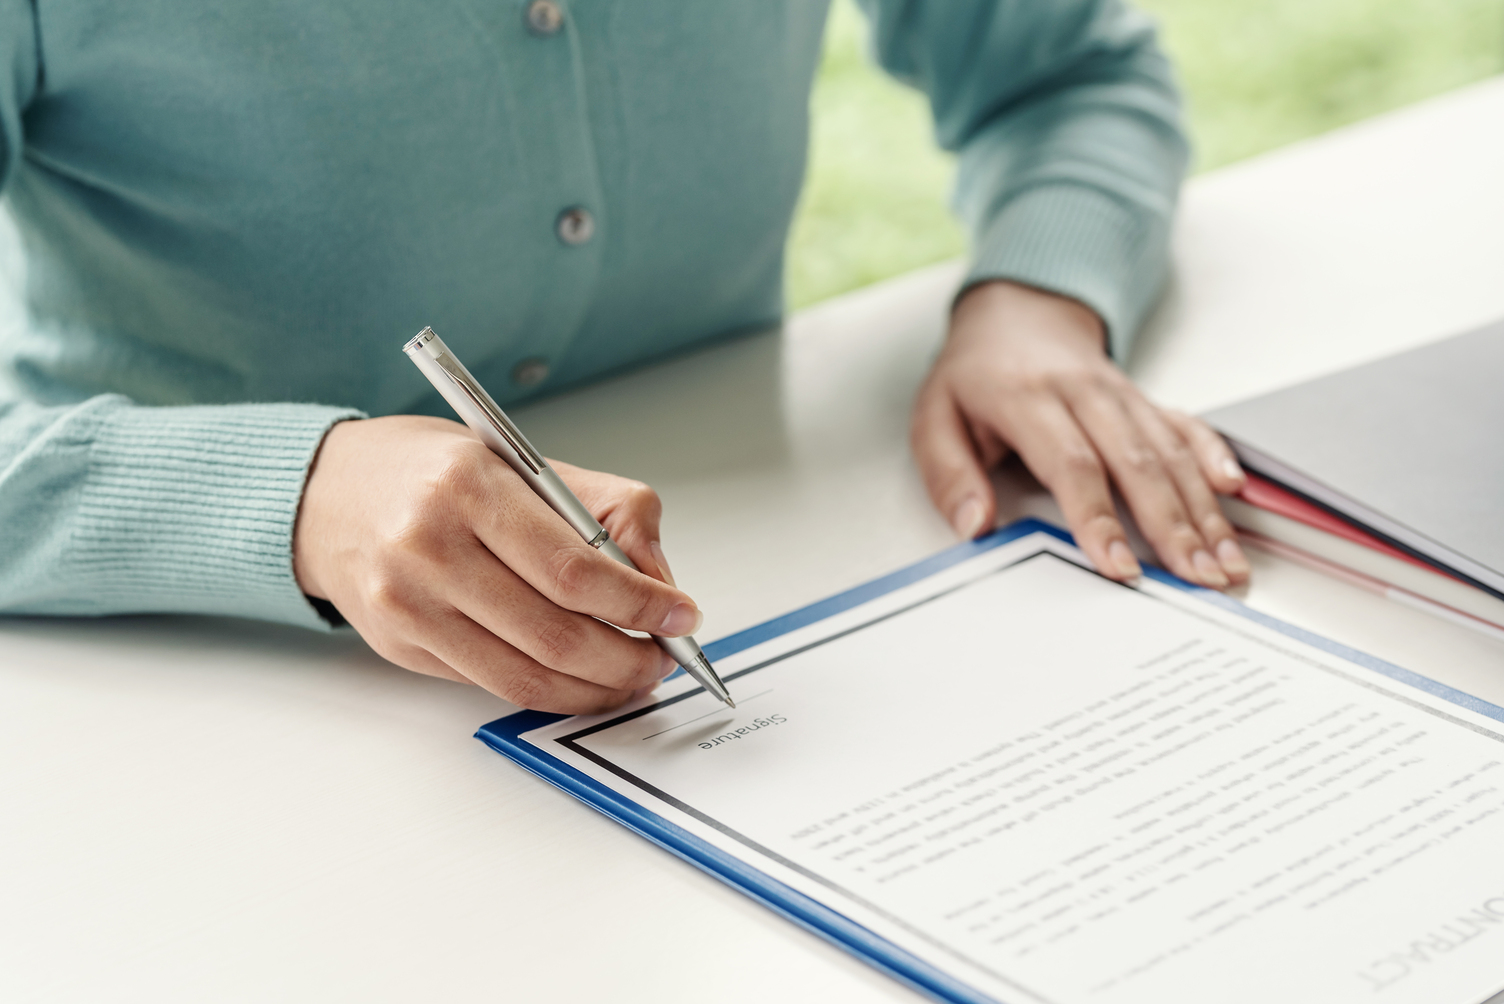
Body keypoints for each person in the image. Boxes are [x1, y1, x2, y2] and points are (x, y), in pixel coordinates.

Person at [0, 0, 1248, 714]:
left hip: (777, 569)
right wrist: (292, 497)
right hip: (175, 700)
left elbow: (1069, 73)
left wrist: (1030, 295)